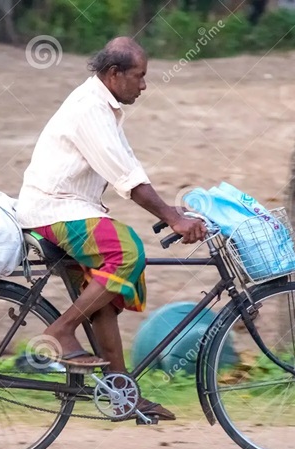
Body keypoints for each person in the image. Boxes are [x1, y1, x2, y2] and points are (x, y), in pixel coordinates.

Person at [15, 36, 206, 420]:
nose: (145, 84)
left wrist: (173, 210)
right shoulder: (90, 109)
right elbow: (128, 179)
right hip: (55, 211)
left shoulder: (104, 105)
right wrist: (173, 219)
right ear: (114, 73)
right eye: (140, 75)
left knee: (102, 289)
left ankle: (122, 393)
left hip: (69, 208)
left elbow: (130, 166)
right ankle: (60, 331)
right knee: (126, 252)